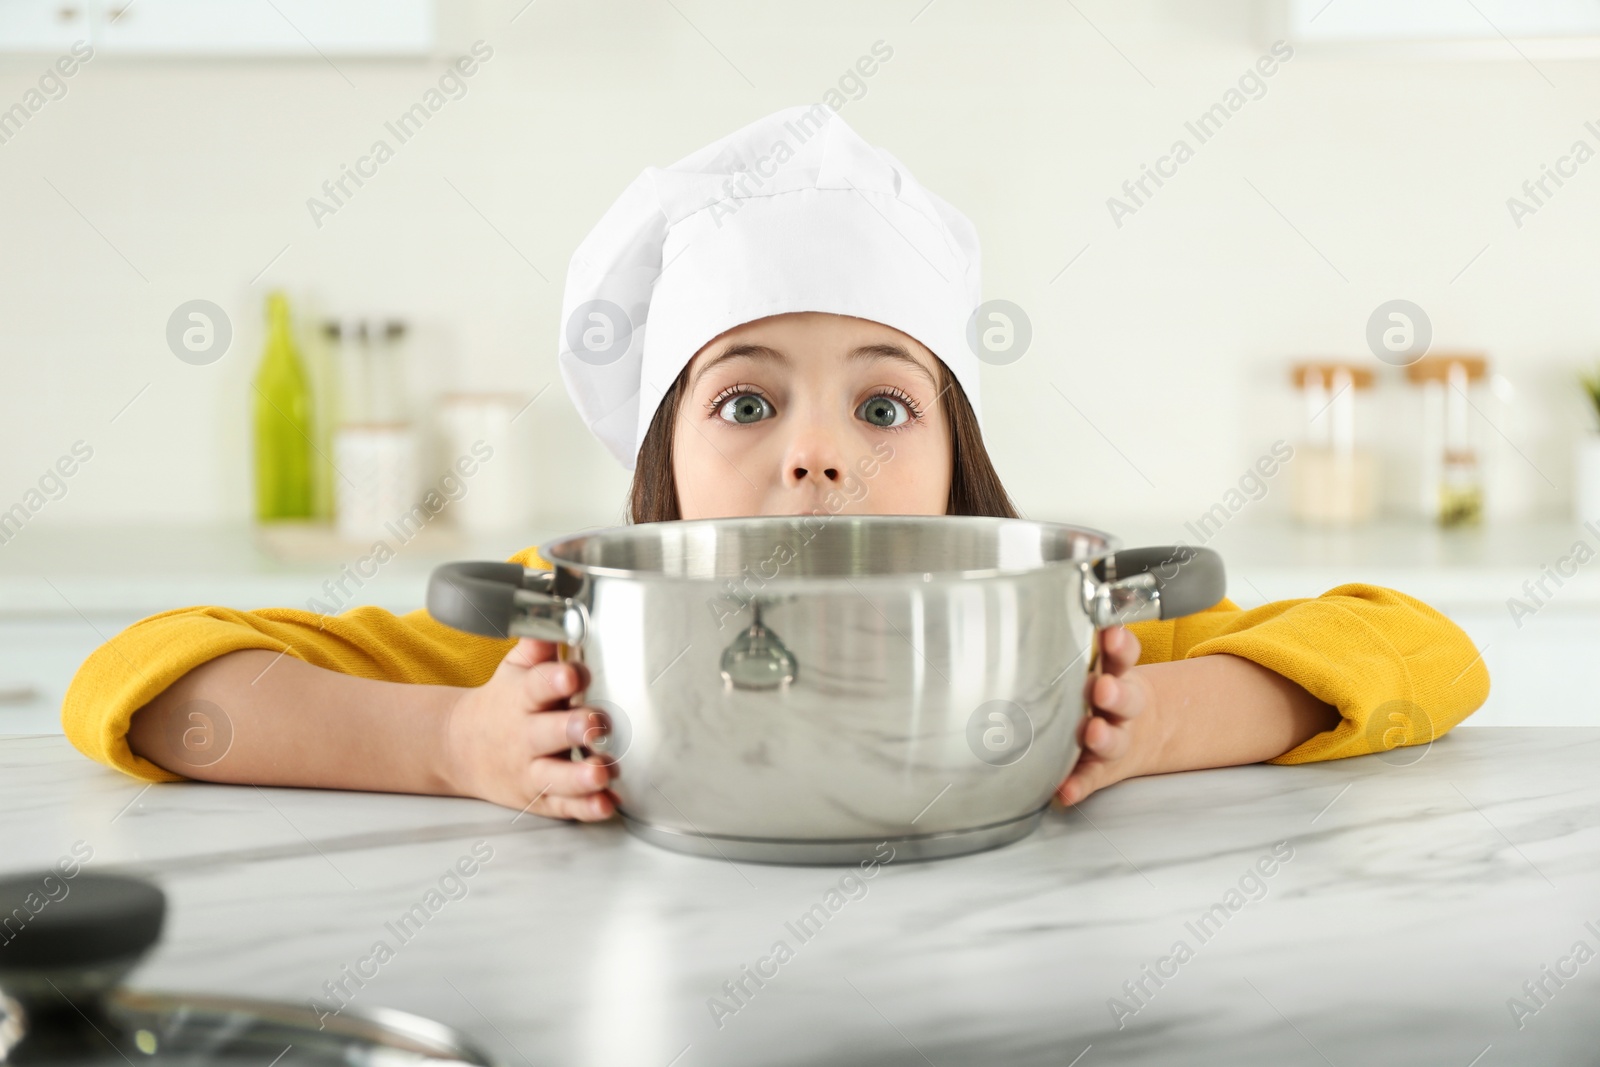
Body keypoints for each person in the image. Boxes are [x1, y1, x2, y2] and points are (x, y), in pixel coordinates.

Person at [61, 106, 1488, 821]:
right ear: (658, 465)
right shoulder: (561, 646)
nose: (816, 458)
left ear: (957, 466)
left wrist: (1158, 724)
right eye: (746, 405)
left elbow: (1425, 649)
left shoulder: (1066, 638)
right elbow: (140, 683)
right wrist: (449, 745)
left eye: (883, 408)